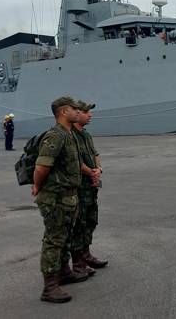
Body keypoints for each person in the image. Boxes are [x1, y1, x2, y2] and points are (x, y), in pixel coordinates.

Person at [32, 96, 87, 304]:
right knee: (54, 240)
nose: (77, 112)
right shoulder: (55, 136)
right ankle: (50, 287)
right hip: (55, 198)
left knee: (65, 237)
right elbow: (41, 166)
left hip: (68, 197)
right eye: (74, 109)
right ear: (64, 112)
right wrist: (37, 186)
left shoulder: (69, 134)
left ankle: (64, 272)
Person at [71, 101, 108, 278]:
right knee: (79, 224)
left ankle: (86, 255)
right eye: (86, 112)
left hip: (91, 186)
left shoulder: (86, 135)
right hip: (79, 186)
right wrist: (91, 172)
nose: (90, 115)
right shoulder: (70, 135)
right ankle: (78, 263)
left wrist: (98, 170)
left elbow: (95, 154)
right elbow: (75, 162)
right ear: (76, 114)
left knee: (90, 220)